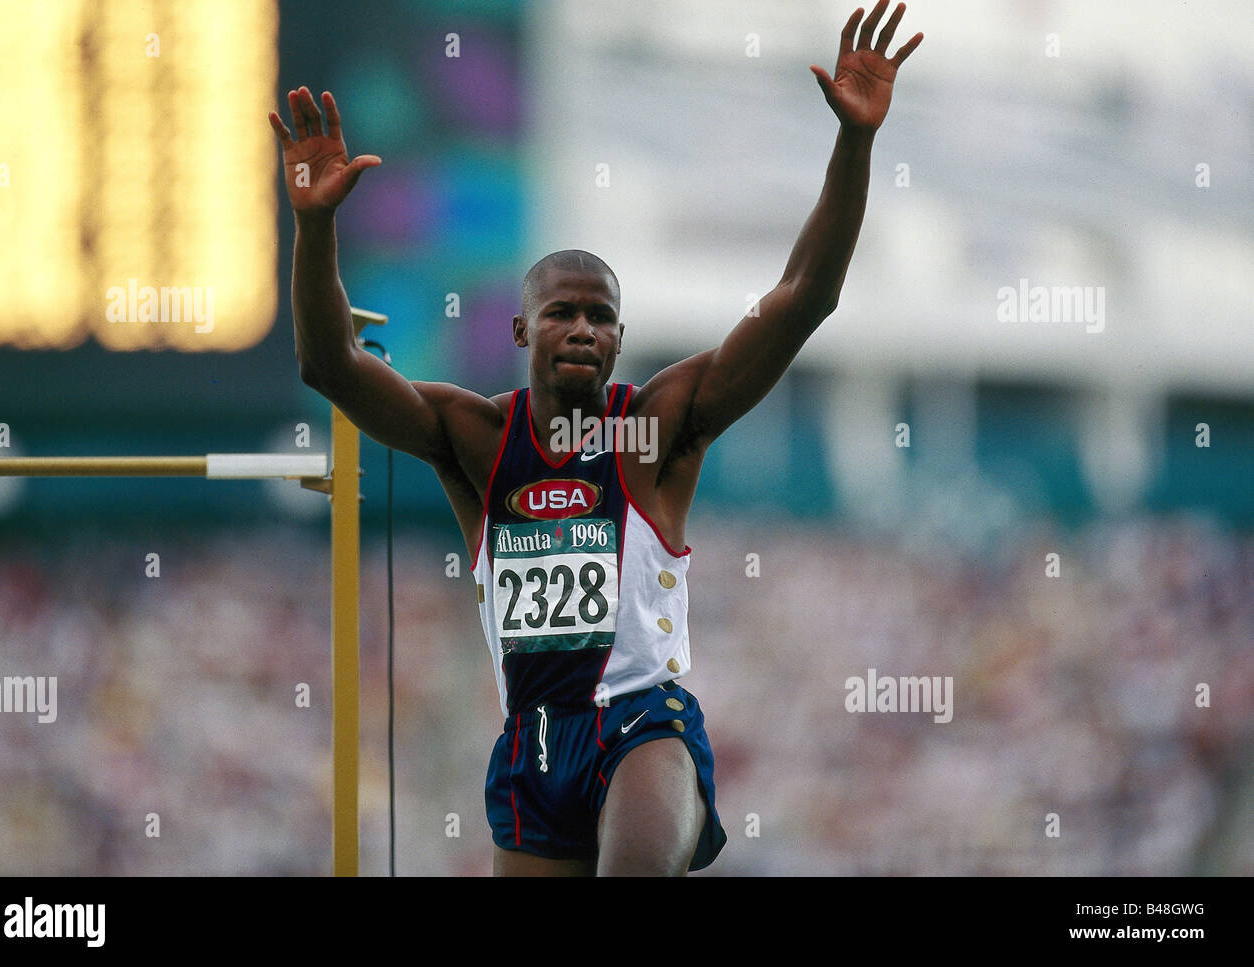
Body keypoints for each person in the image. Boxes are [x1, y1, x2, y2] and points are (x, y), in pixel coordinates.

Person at [269, 1, 921, 875]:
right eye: (561, 313)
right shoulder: (473, 436)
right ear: (519, 331)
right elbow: (331, 366)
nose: (583, 328)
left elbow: (805, 295)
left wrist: (855, 143)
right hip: (532, 744)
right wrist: (315, 228)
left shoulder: (657, 424)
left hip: (641, 725)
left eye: (601, 317)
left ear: (618, 339)